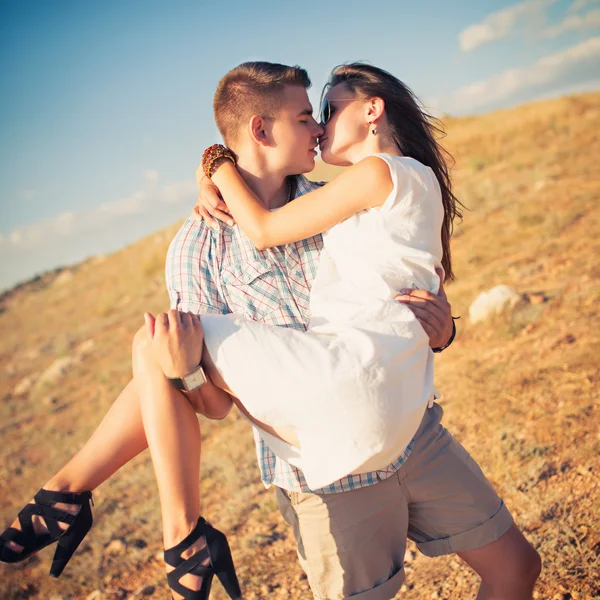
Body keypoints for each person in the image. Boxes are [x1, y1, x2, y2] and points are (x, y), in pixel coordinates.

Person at [0, 61, 453, 600]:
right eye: (308, 116)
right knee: (161, 348)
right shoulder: (199, 247)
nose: (318, 128)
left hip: (411, 430)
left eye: (321, 115)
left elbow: (397, 282)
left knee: (152, 344)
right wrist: (186, 373)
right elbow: (211, 405)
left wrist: (444, 329)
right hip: (320, 468)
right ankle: (84, 501)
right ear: (262, 130)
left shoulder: (335, 203)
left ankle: (94, 506)